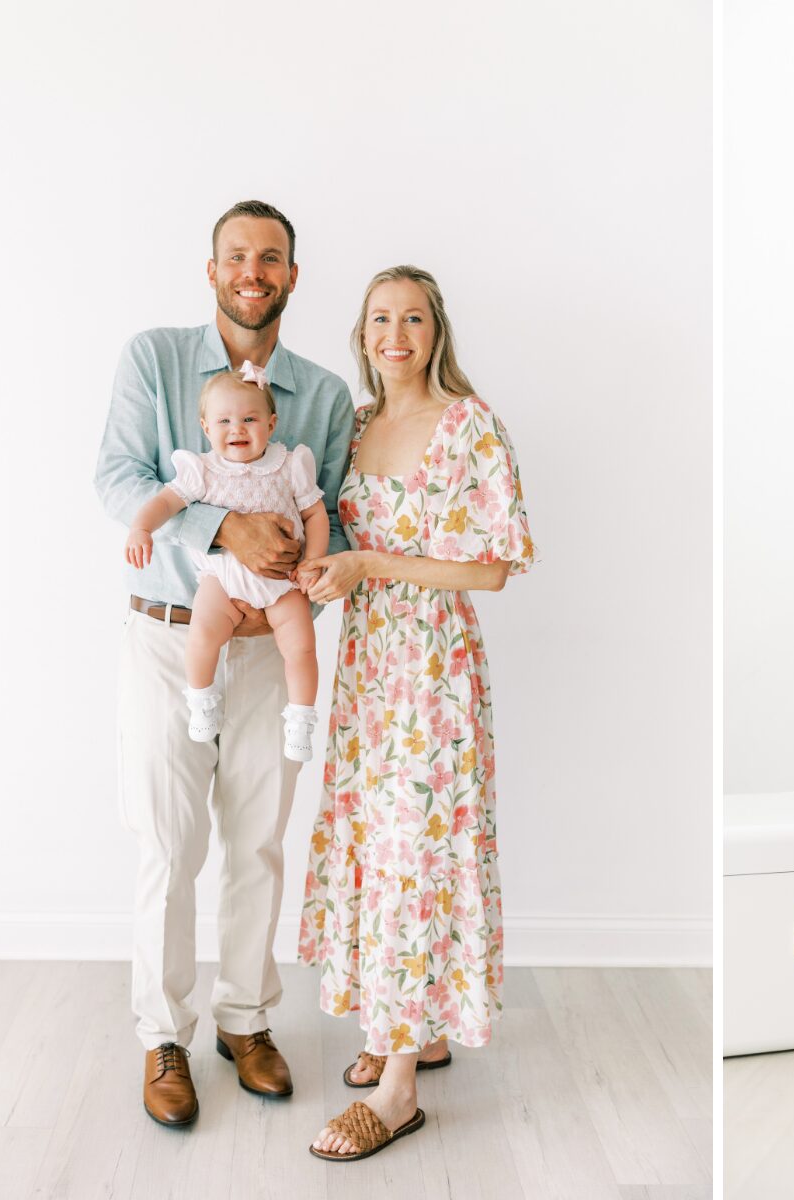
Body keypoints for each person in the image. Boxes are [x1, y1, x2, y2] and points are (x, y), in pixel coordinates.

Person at [94, 200, 356, 1126]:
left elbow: (336, 510)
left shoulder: (323, 394)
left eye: (272, 258)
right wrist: (221, 524)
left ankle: (246, 1021)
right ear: (212, 271)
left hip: (272, 649)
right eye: (237, 257)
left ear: (292, 276)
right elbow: (120, 477)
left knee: (257, 843)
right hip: (175, 637)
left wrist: (308, 571)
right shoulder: (154, 359)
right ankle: (164, 1034)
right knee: (169, 845)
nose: (254, 271)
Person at [296, 265, 535, 1162]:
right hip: (366, 667)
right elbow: (336, 539)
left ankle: (397, 1090)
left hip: (432, 667)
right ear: (361, 335)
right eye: (379, 319)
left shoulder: (470, 426)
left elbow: (493, 567)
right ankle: (415, 1029)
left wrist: (372, 569)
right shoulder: (354, 429)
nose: (395, 334)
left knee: (417, 852)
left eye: (414, 319)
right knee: (376, 846)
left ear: (438, 333)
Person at [124, 364, 326, 760]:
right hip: (222, 578)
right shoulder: (203, 471)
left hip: (284, 581)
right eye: (224, 421)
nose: (237, 429)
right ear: (205, 427)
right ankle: (201, 698)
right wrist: (141, 529)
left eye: (249, 419)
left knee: (301, 647)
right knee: (203, 633)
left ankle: (301, 717)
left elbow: (316, 514)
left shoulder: (289, 465)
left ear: (271, 423)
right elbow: (165, 501)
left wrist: (313, 562)